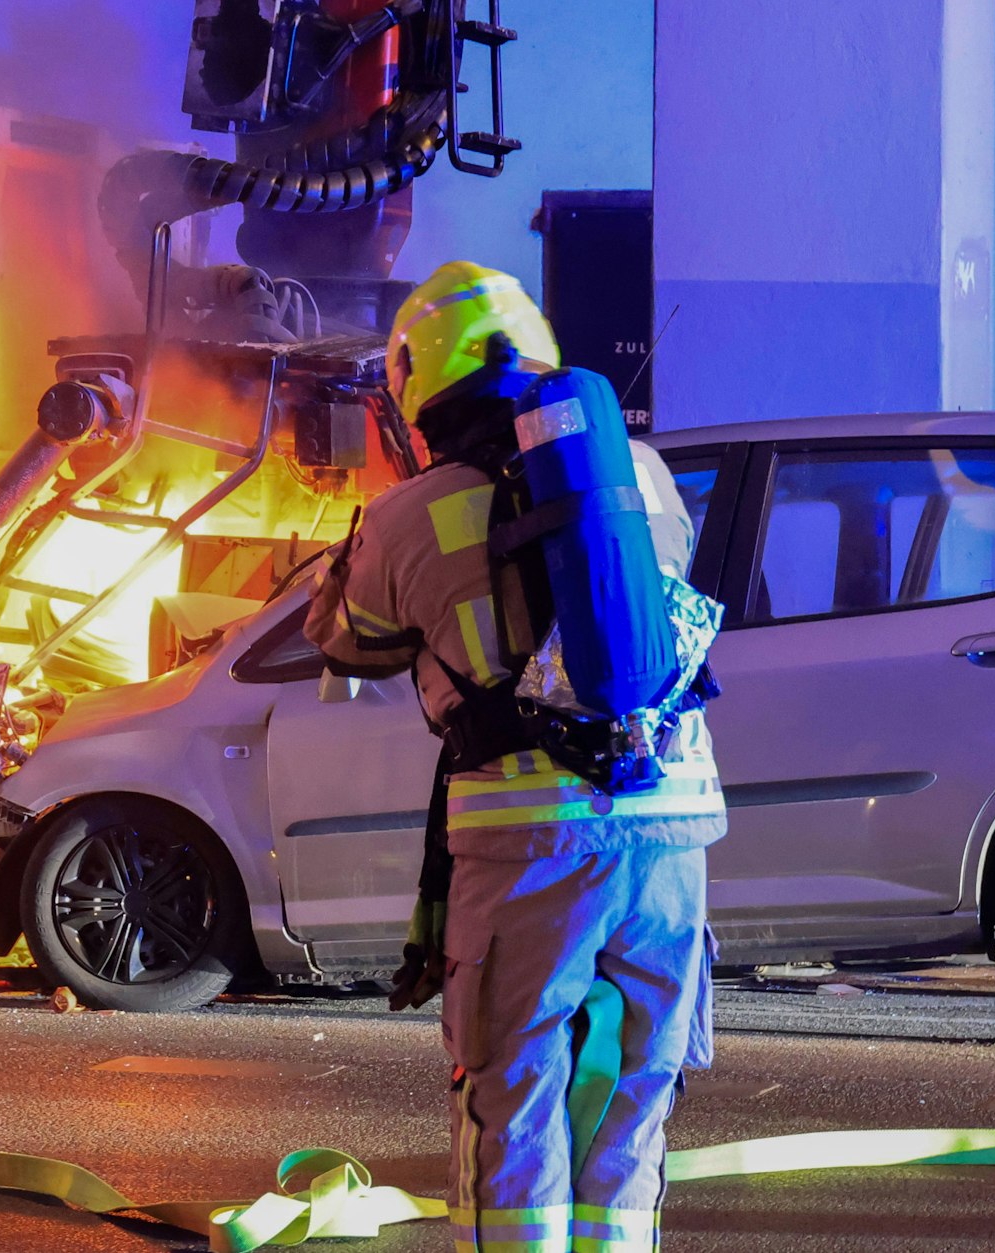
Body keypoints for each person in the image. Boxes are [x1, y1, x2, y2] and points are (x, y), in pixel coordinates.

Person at [304, 260, 726, 1253]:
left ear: (416, 383)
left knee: (513, 1086)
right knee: (633, 1092)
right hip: (670, 835)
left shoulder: (410, 512)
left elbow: (345, 633)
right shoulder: (644, 478)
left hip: (528, 844)